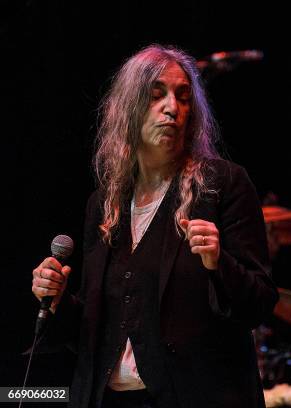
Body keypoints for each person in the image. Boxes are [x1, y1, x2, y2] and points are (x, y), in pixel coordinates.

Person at [31, 45, 278, 408]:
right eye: (156, 95)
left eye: (182, 97)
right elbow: (95, 330)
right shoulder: (105, 203)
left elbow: (259, 303)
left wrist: (217, 261)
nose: (172, 108)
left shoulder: (222, 184)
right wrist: (57, 300)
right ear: (130, 108)